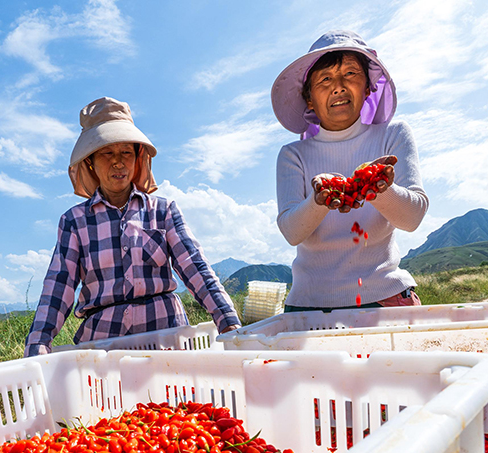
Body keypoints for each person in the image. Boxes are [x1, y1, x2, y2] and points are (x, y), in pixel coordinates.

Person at [24, 97, 240, 356]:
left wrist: (228, 319)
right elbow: (58, 286)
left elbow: (196, 269)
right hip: (103, 347)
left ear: (138, 158)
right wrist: (39, 341)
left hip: (166, 340)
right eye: (107, 152)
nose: (118, 162)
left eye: (126, 152)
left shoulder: (163, 211)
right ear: (91, 161)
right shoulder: (74, 221)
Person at [271, 30, 428, 312]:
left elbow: (412, 217)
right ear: (309, 99)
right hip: (311, 306)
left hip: (385, 297)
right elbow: (292, 231)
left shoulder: (393, 135)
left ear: (368, 87)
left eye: (351, 74)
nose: (339, 86)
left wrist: (379, 187)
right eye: (325, 79)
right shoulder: (293, 155)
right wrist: (318, 199)